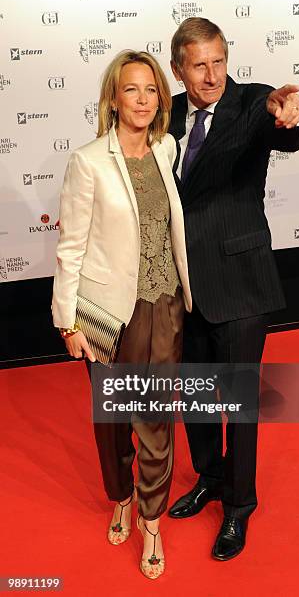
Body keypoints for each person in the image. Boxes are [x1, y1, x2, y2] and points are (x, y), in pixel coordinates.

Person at [167, 18, 299, 560]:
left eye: (219, 61)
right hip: (185, 284)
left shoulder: (252, 101)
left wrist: (290, 118)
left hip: (241, 281)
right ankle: (209, 476)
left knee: (239, 400)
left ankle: (239, 505)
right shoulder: (170, 113)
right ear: (178, 67)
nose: (211, 76)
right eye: (199, 65)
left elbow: (283, 130)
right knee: (197, 395)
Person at [51, 50, 192, 579]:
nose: (142, 100)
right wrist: (68, 320)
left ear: (161, 98)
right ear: (114, 97)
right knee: (112, 418)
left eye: (151, 90)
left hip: (164, 302)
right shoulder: (88, 160)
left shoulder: (166, 146)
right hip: (106, 311)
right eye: (131, 89)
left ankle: (151, 520)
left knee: (155, 415)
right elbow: (71, 247)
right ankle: (121, 497)